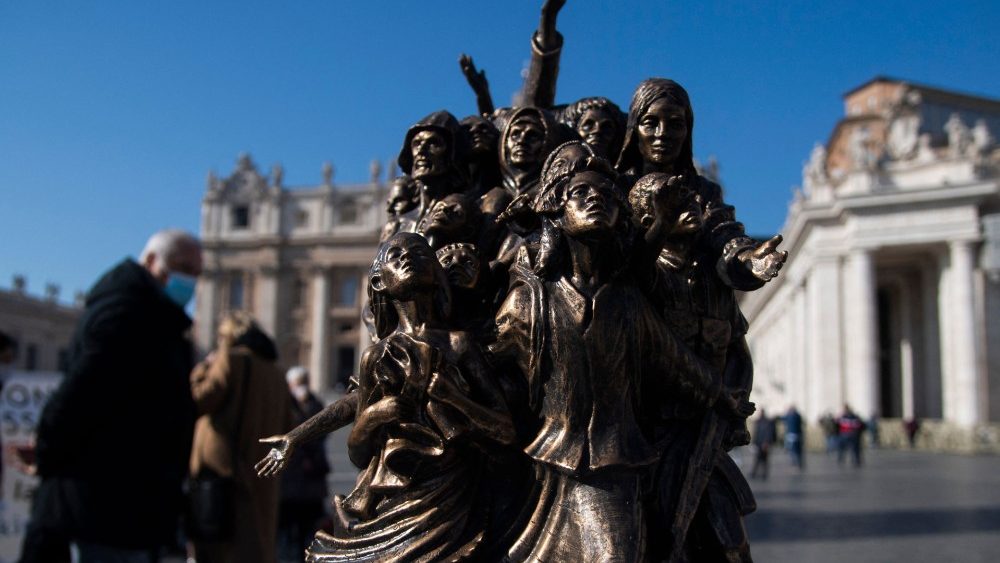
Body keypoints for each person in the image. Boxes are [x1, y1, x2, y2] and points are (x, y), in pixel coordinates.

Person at [21, 229, 202, 563]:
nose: (189, 280)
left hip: (129, 501)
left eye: (196, 273)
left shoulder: (154, 315)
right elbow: (79, 393)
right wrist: (46, 450)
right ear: (151, 260)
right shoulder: (128, 313)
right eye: (183, 267)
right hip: (104, 502)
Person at [188, 311, 293, 563]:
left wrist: (203, 368)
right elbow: (288, 425)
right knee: (256, 545)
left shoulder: (231, 360)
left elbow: (200, 400)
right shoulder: (277, 374)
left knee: (219, 549)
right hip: (263, 475)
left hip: (225, 474)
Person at [277, 367, 330, 562]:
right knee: (289, 536)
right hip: (294, 483)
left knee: (306, 534)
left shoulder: (314, 405)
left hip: (306, 483)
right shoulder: (290, 405)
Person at [750, 410, 777, 480]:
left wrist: (766, 442)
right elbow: (756, 433)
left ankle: (762, 474)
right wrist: (754, 443)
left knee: (763, 460)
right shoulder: (758, 422)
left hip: (764, 444)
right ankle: (755, 474)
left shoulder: (766, 422)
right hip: (759, 444)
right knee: (758, 459)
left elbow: (768, 433)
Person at [784, 405, 805, 470]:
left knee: (793, 450)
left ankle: (795, 463)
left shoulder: (791, 416)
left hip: (792, 435)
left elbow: (784, 418)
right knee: (796, 450)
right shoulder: (797, 416)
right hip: (795, 434)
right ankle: (797, 463)